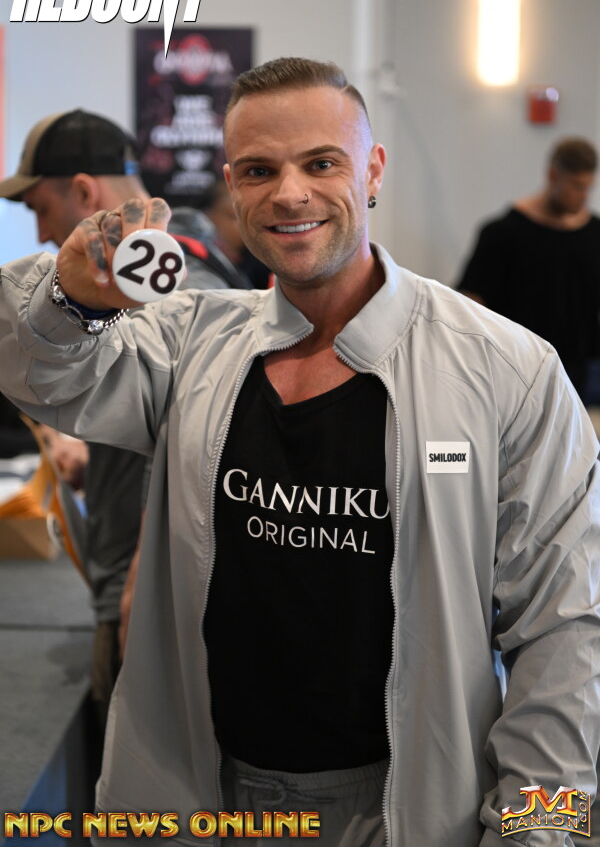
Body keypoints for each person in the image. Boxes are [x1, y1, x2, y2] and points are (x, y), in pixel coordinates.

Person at [0, 58, 599, 847]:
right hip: (200, 797)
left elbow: (567, 632)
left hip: (409, 811)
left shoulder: (506, 371)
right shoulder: (192, 340)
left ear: (373, 170)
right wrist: (70, 297)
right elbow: (39, 373)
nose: (289, 194)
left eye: (321, 163)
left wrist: (542, 835)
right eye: (259, 170)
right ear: (232, 186)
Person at [0, 109, 250, 734]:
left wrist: (146, 571)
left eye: (41, 208)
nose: (40, 231)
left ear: (85, 192)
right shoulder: (197, 261)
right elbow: (162, 408)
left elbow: (206, 440)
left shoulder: (163, 284)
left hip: (148, 599)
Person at [456, 137, 600, 398]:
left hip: (578, 371)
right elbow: (470, 302)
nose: (583, 196)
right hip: (514, 369)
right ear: (553, 175)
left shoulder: (595, 234)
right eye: (576, 186)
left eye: (587, 187)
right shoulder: (502, 232)